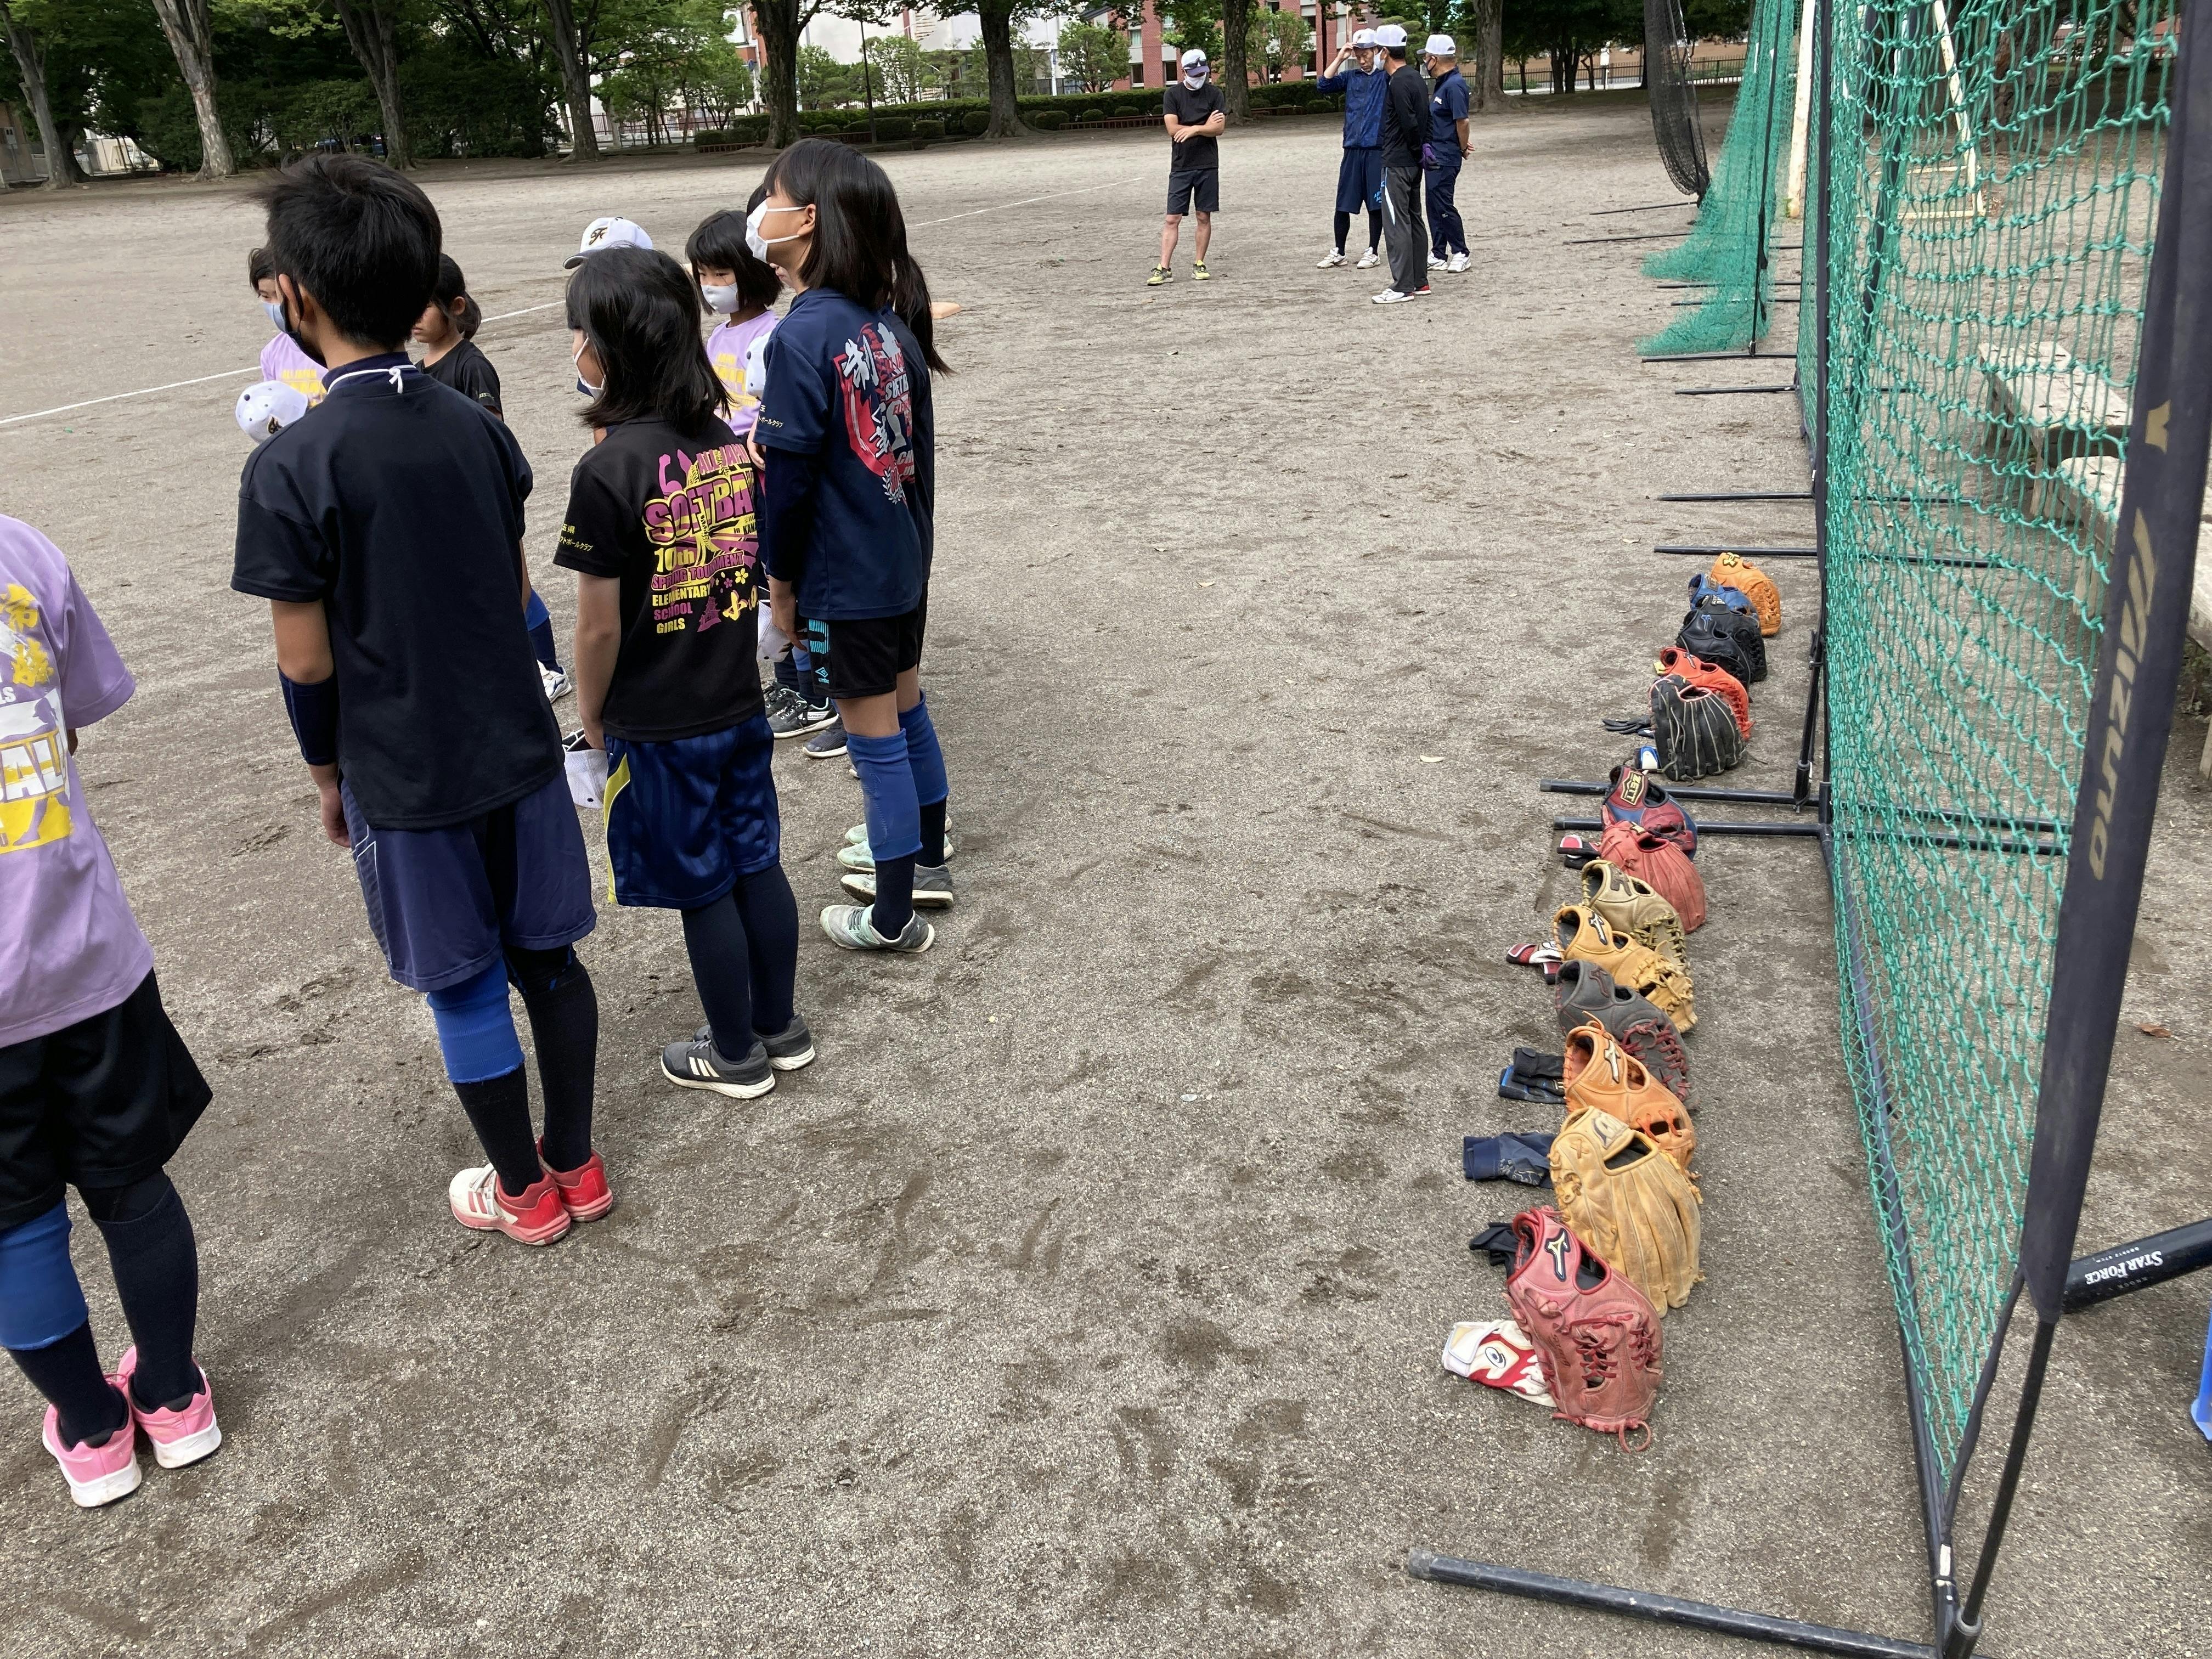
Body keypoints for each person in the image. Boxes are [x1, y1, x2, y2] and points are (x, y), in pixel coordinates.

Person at [232, 156, 606, 1247]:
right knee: (549, 958)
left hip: (404, 767)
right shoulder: (475, 425)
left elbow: (306, 664)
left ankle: (521, 1191)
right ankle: (576, 1163)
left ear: (295, 294)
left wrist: (326, 775)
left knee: (465, 982)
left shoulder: (289, 467)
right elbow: (511, 585)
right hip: (516, 745)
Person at [555, 246, 813, 1099]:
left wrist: (593, 715)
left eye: (579, 334)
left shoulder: (607, 470)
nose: (575, 351)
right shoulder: (722, 440)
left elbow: (597, 625)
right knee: (757, 860)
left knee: (703, 885)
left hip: (661, 717)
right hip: (736, 699)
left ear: (609, 346)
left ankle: (734, 1052)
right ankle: (780, 1025)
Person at [0, 514, 220, 1509]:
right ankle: (173, 1396)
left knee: (14, 1221)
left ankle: (92, 1429)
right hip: (81, 943)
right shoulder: (20, 550)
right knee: (130, 1181)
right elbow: (67, 721)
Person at [751, 139, 953, 953]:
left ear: (806, 220)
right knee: (907, 712)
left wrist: (781, 586)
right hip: (898, 563)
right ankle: (927, 858)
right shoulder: (887, 326)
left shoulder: (801, 337)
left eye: (771, 198)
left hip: (848, 577)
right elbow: (920, 464)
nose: (759, 213)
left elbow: (788, 485)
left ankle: (894, 915)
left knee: (875, 744)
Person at [686, 200, 834, 745]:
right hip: (728, 482)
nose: (711, 286)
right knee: (757, 588)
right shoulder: (717, 338)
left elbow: (766, 413)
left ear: (751, 272)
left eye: (721, 274)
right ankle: (787, 684)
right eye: (703, 275)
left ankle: (817, 694)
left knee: (783, 582)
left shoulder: (773, 333)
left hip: (762, 479)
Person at [412, 253, 572, 701]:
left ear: (455, 306)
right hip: (447, 498)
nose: (413, 318)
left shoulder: (471, 365)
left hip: (484, 494)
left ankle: (549, 669)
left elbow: (491, 434)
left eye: (424, 306)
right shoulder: (419, 371)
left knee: (514, 584)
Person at [1150, 48, 1226, 287]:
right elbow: (1172, 129)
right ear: (1184, 71)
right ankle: (1164, 267)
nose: (1200, 77)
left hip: (1208, 164)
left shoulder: (1215, 94)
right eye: (1195, 73)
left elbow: (1219, 129)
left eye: (1203, 72)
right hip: (1181, 166)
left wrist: (1194, 129)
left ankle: (1199, 263)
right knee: (1172, 218)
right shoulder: (1173, 95)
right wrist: (1205, 126)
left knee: (1203, 216)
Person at [1314, 29, 1387, 270]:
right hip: (1352, 149)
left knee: (1376, 204)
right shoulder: (1351, 77)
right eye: (1358, 54)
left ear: (1376, 51)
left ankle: (1373, 250)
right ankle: (1339, 251)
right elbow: (1323, 85)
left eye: (1365, 54)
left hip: (1376, 149)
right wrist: (1340, 57)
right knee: (1343, 203)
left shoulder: (1386, 78)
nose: (1362, 59)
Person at [1372, 25, 1432, 304]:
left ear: (1385, 52)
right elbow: (1424, 119)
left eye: (1377, 50)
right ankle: (1420, 281)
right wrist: (1422, 151)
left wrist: (1415, 147)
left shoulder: (1396, 82)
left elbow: (1409, 122)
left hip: (1396, 162)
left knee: (1396, 222)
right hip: (1413, 163)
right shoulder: (1417, 78)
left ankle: (1402, 286)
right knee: (1414, 219)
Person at [1423, 36, 1472, 275]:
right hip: (1435, 155)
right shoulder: (1443, 84)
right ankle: (1439, 253)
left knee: (1443, 204)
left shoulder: (1454, 85)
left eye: (1426, 57)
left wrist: (1462, 147)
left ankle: (1461, 252)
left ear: (1434, 59)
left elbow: (1462, 121)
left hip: (1446, 156)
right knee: (1433, 205)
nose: (1425, 62)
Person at [250, 247, 324, 404]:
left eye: (280, 295)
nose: (275, 305)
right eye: (265, 296)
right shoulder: (272, 353)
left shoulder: (329, 349)